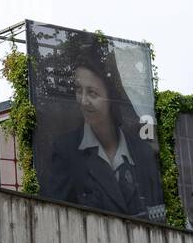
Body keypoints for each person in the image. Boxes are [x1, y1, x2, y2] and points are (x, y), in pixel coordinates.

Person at [42, 37, 165, 222]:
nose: (83, 101)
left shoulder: (143, 154)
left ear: (112, 97)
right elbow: (53, 217)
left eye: (92, 93)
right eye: (78, 90)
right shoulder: (65, 151)